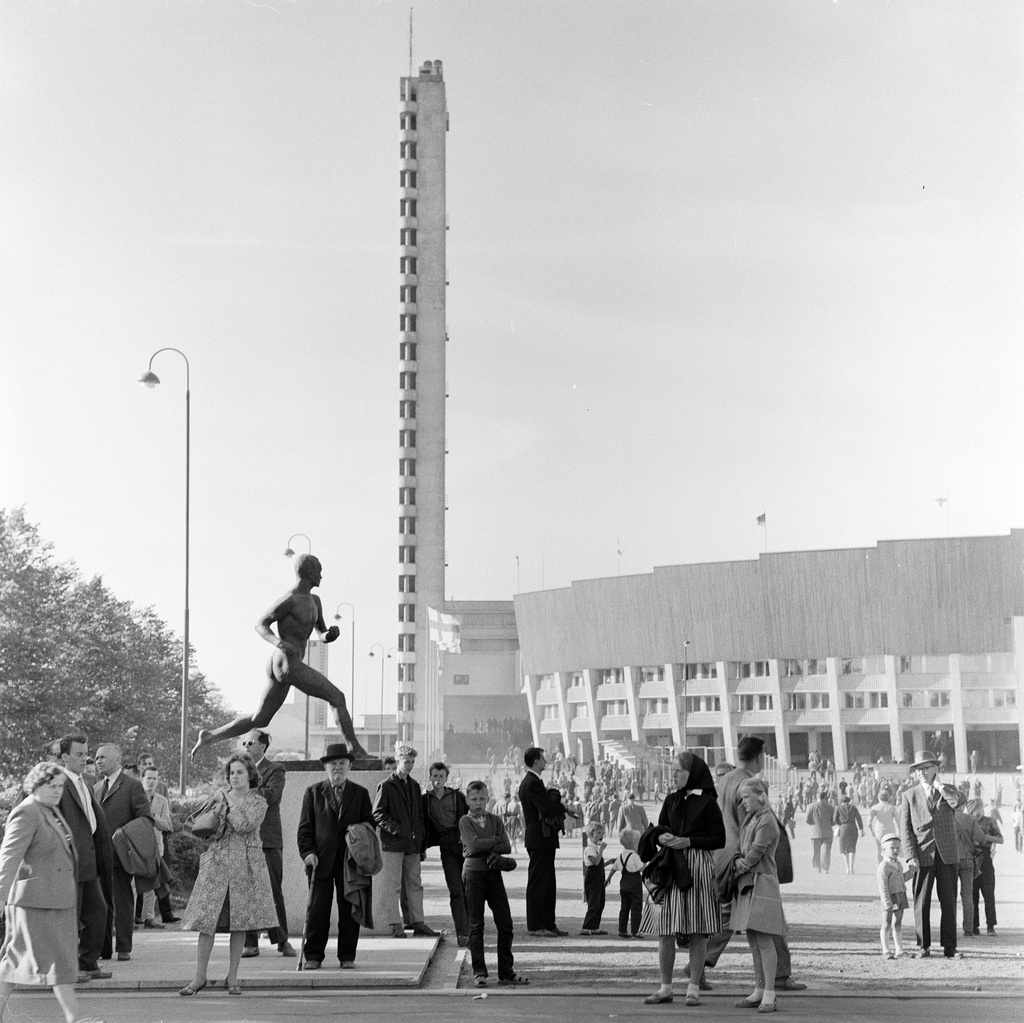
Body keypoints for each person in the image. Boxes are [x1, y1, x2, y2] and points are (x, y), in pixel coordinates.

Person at [190, 554, 367, 760]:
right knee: (337, 697)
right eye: (319, 571)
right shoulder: (289, 600)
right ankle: (355, 749)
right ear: (309, 573)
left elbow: (321, 633)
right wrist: (279, 642)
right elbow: (261, 624)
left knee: (261, 718)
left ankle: (210, 736)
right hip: (286, 662)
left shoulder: (315, 601)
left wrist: (330, 636)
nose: (321, 576)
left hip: (286, 662)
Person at [693, 738, 805, 994]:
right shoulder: (749, 785)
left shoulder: (725, 780)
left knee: (726, 916)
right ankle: (778, 975)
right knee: (769, 917)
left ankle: (697, 968)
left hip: (722, 855)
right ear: (760, 757)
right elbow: (751, 827)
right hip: (744, 862)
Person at [0, 763, 97, 1023]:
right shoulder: (27, 812)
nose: (58, 791)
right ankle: (75, 1017)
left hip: (54, 900)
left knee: (17, 963)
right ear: (35, 785)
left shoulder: (49, 810)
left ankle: (75, 1016)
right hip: (34, 903)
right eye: (51, 786)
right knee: (55, 961)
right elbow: (8, 858)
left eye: (61, 786)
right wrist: (0, 896)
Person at [179, 753, 278, 996]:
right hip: (217, 866)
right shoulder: (217, 798)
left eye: (240, 772)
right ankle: (199, 976)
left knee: (239, 923)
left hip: (245, 868)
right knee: (206, 923)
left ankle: (232, 975)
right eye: (231, 772)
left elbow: (245, 825)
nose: (234, 777)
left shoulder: (258, 803)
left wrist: (228, 804)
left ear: (250, 775)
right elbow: (199, 827)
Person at [640, 751, 724, 1007]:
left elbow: (719, 839)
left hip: (697, 867)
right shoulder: (671, 799)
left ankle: (693, 987)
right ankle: (665, 987)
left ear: (692, 773)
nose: (673, 774)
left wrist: (690, 841)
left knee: (697, 931)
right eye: (673, 770)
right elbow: (662, 827)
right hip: (671, 867)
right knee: (665, 929)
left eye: (678, 770)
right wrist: (659, 837)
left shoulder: (708, 802)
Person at [297, 743, 375, 969]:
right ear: (325, 767)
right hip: (320, 861)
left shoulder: (359, 793)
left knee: (349, 909)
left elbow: (370, 824)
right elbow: (305, 830)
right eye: (333, 763)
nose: (337, 767)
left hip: (350, 862)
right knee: (318, 910)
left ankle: (347, 956)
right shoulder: (313, 792)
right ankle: (313, 956)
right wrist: (308, 853)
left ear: (350, 766)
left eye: (342, 763)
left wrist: (357, 833)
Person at [56, 733, 113, 982]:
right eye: (79, 754)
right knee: (70, 917)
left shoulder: (85, 783)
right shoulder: (57, 782)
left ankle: (87, 963)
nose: (85, 758)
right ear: (65, 756)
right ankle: (69, 969)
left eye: (85, 753)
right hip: (68, 863)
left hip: (89, 861)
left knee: (98, 912)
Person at [459, 780, 527, 988]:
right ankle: (479, 972)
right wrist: (493, 841)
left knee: (505, 923)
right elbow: (472, 844)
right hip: (473, 875)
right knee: (476, 924)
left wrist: (485, 844)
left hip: (494, 873)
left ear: (488, 799)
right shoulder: (464, 821)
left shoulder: (496, 819)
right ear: (467, 801)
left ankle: (506, 971)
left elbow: (506, 846)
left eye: (482, 799)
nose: (478, 803)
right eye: (474, 799)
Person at [897, 749, 960, 958]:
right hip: (922, 854)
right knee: (921, 902)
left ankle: (950, 946)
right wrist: (910, 856)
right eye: (918, 769)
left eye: (925, 768)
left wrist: (940, 787)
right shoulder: (909, 795)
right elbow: (905, 829)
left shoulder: (948, 790)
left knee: (949, 902)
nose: (921, 773)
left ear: (935, 768)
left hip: (948, 855)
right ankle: (923, 945)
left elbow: (958, 804)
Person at [93, 743, 152, 961]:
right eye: (96, 758)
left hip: (121, 855)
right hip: (99, 856)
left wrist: (123, 836)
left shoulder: (132, 786)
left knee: (123, 900)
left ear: (117, 759)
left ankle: (124, 947)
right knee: (101, 902)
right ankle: (104, 949)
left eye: (102, 757)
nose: (98, 761)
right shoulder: (96, 788)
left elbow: (145, 818)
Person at [731, 777, 786, 1014]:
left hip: (762, 883)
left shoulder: (766, 821)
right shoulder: (754, 819)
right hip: (752, 884)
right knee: (754, 940)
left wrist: (737, 864)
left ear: (761, 795)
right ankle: (759, 990)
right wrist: (739, 861)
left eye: (746, 797)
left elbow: (752, 856)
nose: (743, 803)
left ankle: (770, 995)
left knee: (764, 941)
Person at [239, 731, 296, 958]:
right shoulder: (239, 769)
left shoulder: (275, 769)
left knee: (272, 889)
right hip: (244, 838)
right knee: (247, 891)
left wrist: (243, 791)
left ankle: (282, 940)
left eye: (250, 742)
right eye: (243, 742)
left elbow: (271, 795)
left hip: (268, 839)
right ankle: (250, 943)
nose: (246, 746)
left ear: (262, 746)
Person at [372, 743, 437, 938]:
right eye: (406, 762)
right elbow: (378, 813)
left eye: (412, 762)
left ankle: (418, 922)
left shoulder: (415, 786)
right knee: (394, 886)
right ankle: (395, 924)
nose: (409, 765)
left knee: (415, 884)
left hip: (413, 844)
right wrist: (397, 830)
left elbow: (419, 816)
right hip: (394, 844)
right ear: (398, 761)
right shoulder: (386, 785)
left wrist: (421, 841)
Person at [422, 761, 469, 946]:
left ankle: (473, 928)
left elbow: (470, 817)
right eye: (435, 776)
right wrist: (421, 848)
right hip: (446, 847)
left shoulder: (457, 796)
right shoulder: (425, 800)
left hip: (463, 846)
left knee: (468, 888)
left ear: (446, 778)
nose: (438, 780)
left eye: (441, 776)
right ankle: (462, 932)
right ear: (430, 777)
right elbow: (420, 823)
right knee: (455, 890)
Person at [139, 766, 173, 930]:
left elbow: (167, 825)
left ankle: (149, 918)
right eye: (149, 778)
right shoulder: (136, 797)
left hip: (155, 847)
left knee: (151, 885)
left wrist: (156, 818)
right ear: (142, 779)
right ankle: (129, 918)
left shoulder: (162, 801)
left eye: (155, 778)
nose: (152, 782)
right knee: (131, 885)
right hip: (137, 846)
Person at [967, 797, 1003, 936]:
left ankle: (990, 926)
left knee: (989, 894)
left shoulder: (990, 821)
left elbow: (1001, 839)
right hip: (972, 858)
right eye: (974, 810)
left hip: (986, 858)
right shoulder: (968, 822)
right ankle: (974, 926)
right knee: (972, 895)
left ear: (983, 808)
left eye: (979, 809)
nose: (977, 813)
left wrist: (985, 837)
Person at [876, 832, 913, 959]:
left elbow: (901, 879)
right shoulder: (884, 866)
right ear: (884, 850)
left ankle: (899, 950)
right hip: (889, 898)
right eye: (892, 848)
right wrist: (887, 902)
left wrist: (912, 872)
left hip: (900, 896)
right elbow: (882, 886)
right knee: (886, 923)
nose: (896, 850)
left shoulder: (898, 864)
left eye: (898, 847)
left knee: (897, 923)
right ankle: (885, 950)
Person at [580, 821, 615, 935]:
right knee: (594, 902)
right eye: (598, 833)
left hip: (599, 877)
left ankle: (595, 926)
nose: (601, 835)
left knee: (600, 902)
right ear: (591, 834)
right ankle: (587, 926)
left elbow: (599, 864)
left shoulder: (596, 848)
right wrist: (601, 850)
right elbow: (595, 862)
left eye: (602, 833)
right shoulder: (590, 849)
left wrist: (609, 862)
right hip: (592, 878)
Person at [615, 828, 644, 938]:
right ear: (633, 844)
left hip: (624, 883)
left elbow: (614, 868)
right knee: (636, 907)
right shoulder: (635, 857)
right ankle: (635, 930)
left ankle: (622, 930)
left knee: (624, 907)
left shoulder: (621, 855)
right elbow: (642, 870)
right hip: (635, 884)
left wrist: (608, 879)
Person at [806, 789, 835, 874]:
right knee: (826, 851)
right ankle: (826, 868)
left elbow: (807, 820)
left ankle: (817, 867)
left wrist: (813, 823)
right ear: (825, 797)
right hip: (827, 831)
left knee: (816, 850)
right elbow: (833, 821)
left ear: (817, 797)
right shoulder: (830, 807)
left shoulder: (810, 806)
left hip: (815, 832)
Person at [836, 795, 864, 874]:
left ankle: (847, 868)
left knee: (844, 849)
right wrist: (861, 828)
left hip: (843, 828)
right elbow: (858, 818)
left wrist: (841, 824)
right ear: (849, 801)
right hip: (853, 828)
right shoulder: (853, 808)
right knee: (852, 848)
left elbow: (835, 819)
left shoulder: (838, 808)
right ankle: (852, 867)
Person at [868, 790, 897, 863]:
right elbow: (898, 821)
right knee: (891, 849)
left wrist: (872, 832)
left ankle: (881, 867)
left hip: (879, 831)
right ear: (888, 798)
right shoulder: (892, 808)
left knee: (880, 850)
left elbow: (869, 822)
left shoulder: (875, 807)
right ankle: (890, 866)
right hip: (890, 830)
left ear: (879, 798)